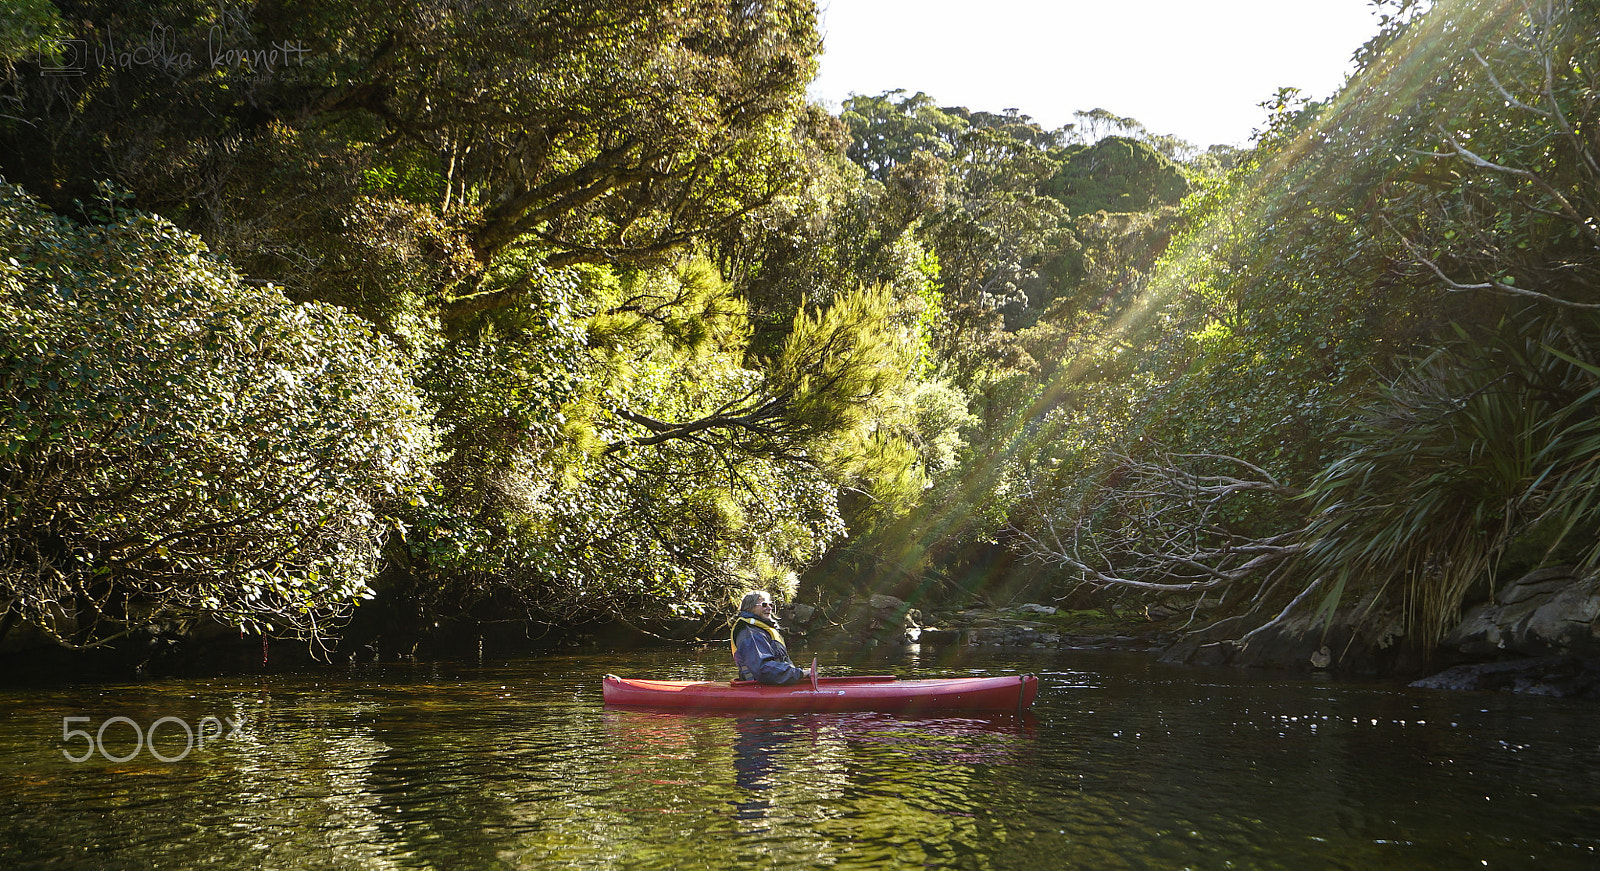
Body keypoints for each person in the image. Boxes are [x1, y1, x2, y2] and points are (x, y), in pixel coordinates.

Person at [730, 591, 807, 685]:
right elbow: (763, 669)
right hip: (758, 688)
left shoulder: (760, 629)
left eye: (770, 604)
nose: (769, 608)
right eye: (764, 604)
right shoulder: (750, 633)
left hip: (775, 683)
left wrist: (797, 674)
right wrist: (799, 674)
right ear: (749, 608)